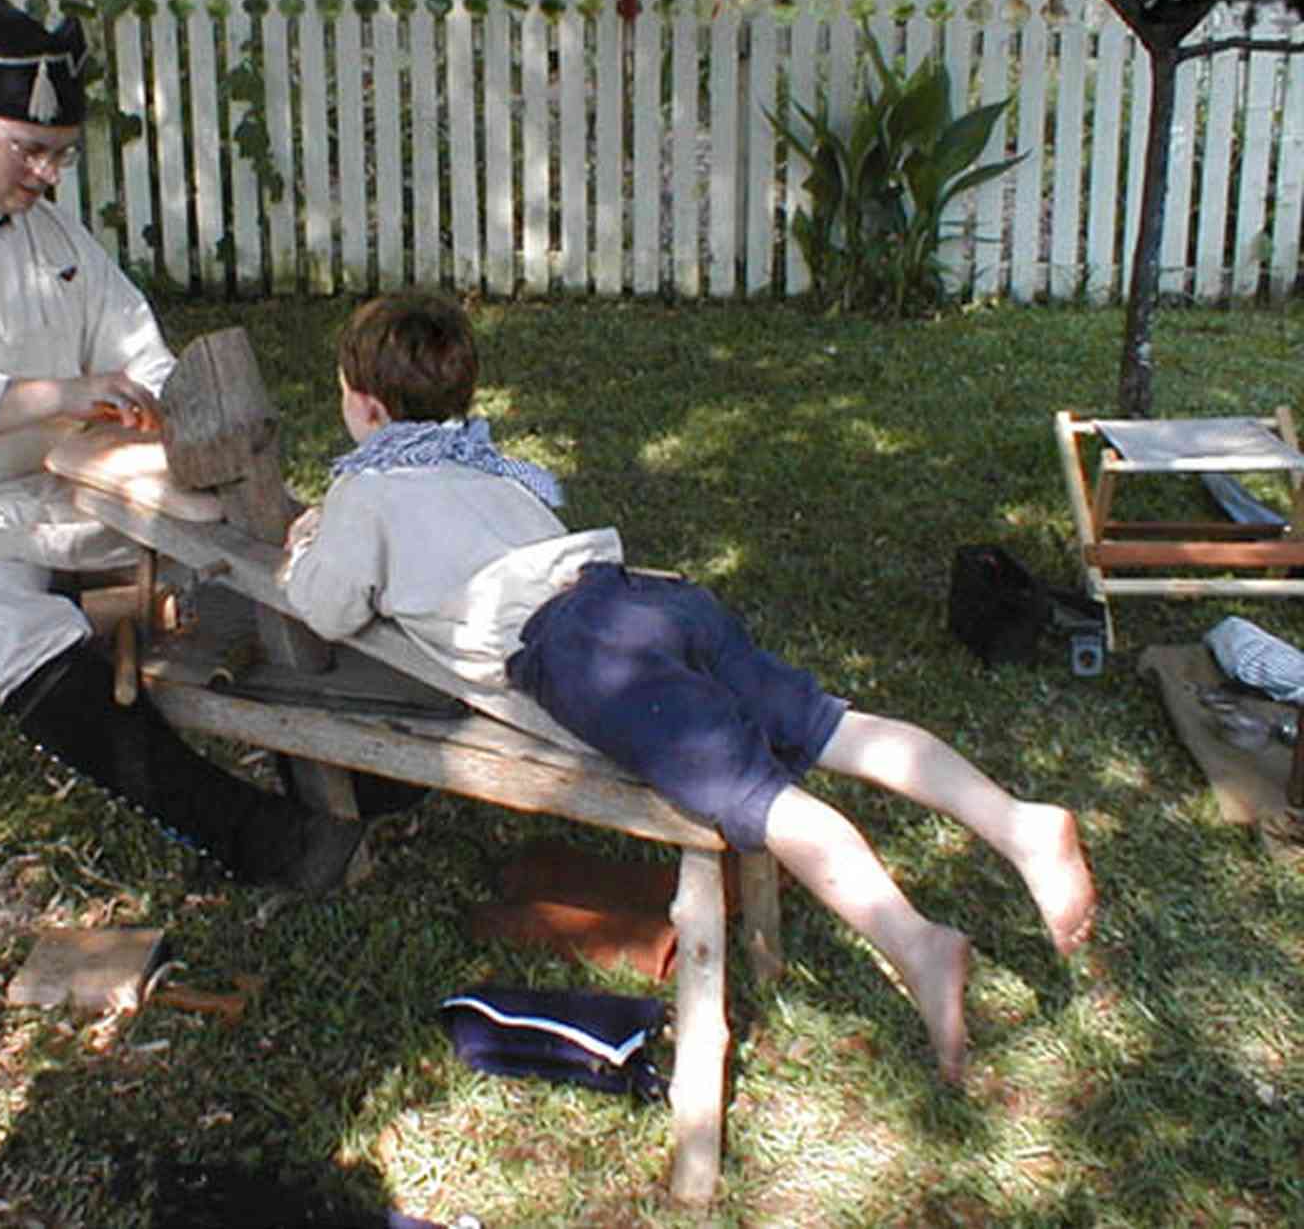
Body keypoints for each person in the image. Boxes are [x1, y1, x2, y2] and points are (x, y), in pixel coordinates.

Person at [279, 293, 1097, 1082]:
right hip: (647, 597)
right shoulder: (487, 466)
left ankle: (917, 943)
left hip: (582, 652)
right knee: (828, 724)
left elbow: (325, 604)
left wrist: (305, 542)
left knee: (761, 799)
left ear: (369, 410)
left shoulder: (367, 490)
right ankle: (1018, 822)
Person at [0, 0, 362, 894]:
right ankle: (246, 833)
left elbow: (136, 349)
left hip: (50, 497)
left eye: (59, 155)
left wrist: (173, 410)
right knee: (5, 618)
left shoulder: (53, 236)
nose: (49, 175)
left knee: (229, 552)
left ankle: (353, 772)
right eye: (31, 151)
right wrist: (61, 394)